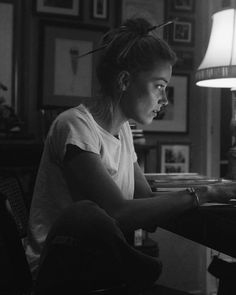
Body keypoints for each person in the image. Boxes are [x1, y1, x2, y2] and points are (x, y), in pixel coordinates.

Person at [25, 18, 236, 294]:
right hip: (59, 275)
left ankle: (142, 271)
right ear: (125, 80)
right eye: (159, 86)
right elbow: (119, 213)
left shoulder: (123, 130)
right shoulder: (74, 126)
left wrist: (209, 192)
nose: (165, 99)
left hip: (100, 271)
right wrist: (201, 194)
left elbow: (145, 202)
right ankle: (143, 270)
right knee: (85, 215)